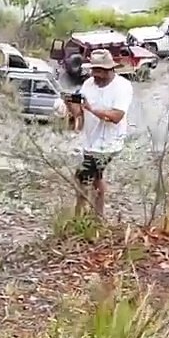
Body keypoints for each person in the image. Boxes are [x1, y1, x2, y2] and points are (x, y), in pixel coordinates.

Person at [64, 49, 133, 217]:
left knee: (83, 177)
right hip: (91, 140)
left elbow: (116, 116)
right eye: (95, 71)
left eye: (101, 71)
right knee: (96, 178)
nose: (97, 75)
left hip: (110, 142)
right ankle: (97, 216)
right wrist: (70, 105)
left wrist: (91, 108)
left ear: (110, 69)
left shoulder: (122, 87)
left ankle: (79, 214)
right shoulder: (88, 84)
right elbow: (79, 112)